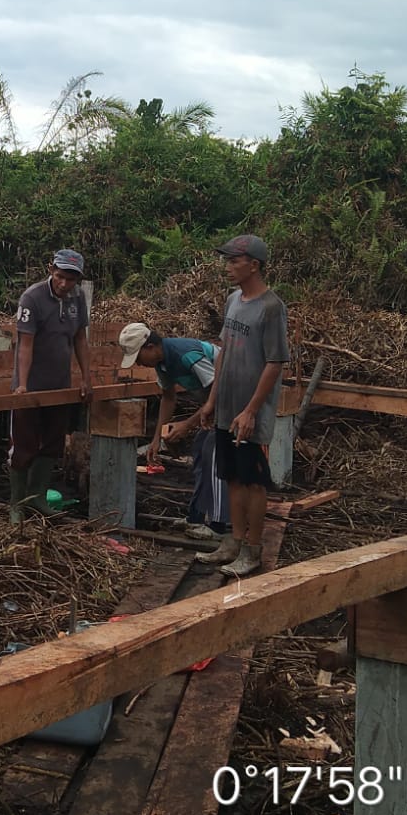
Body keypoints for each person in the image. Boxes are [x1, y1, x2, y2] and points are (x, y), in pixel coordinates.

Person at [204, 233, 289, 578]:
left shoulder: (271, 308)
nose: (228, 267)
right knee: (232, 477)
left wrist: (252, 409)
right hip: (227, 405)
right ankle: (233, 542)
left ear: (253, 265)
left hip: (249, 412)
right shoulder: (233, 300)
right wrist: (212, 399)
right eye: (227, 261)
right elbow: (223, 349)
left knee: (253, 481)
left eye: (234, 261)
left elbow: (274, 363)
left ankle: (254, 550)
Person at [118, 321, 227, 540]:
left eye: (139, 357)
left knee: (215, 457)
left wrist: (187, 424)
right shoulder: (163, 364)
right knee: (201, 455)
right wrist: (156, 439)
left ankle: (218, 527)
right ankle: (196, 519)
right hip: (214, 407)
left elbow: (221, 391)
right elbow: (168, 398)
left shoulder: (185, 353)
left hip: (232, 399)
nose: (139, 363)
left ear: (150, 347)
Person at [9, 248, 94, 520]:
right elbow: (25, 345)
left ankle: (37, 497)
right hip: (32, 384)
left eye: (70, 279)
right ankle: (16, 504)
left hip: (59, 384)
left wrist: (86, 378)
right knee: (23, 446)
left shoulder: (77, 298)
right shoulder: (32, 298)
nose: (64, 284)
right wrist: (22, 385)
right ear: (50, 270)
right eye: (60, 277)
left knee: (52, 444)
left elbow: (80, 339)